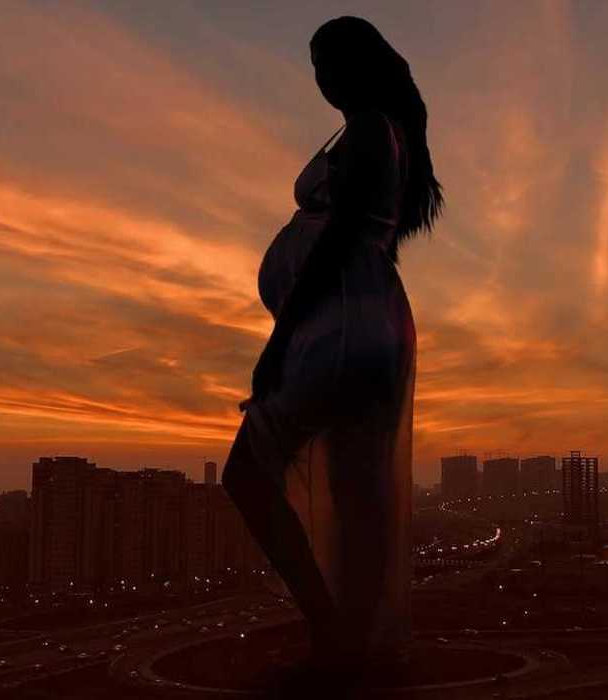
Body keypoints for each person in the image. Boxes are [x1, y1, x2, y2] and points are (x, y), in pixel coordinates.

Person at [221, 14, 444, 682]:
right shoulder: (374, 131)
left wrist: (279, 341)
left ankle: (333, 636)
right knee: (355, 499)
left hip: (341, 329)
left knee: (246, 474)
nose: (320, 76)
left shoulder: (374, 130)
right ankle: (352, 648)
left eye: (330, 61)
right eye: (314, 63)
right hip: (363, 325)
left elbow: (341, 240)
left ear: (362, 64)